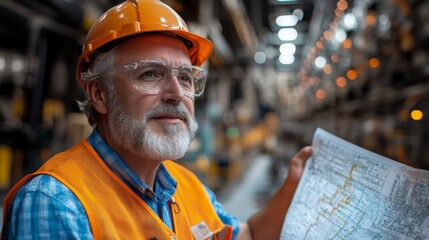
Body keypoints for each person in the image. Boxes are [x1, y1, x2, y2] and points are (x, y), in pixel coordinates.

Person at [1, 0, 312, 239]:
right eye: (150, 74)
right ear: (100, 94)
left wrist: (293, 187)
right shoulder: (57, 201)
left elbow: (249, 236)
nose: (176, 94)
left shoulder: (185, 185)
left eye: (186, 78)